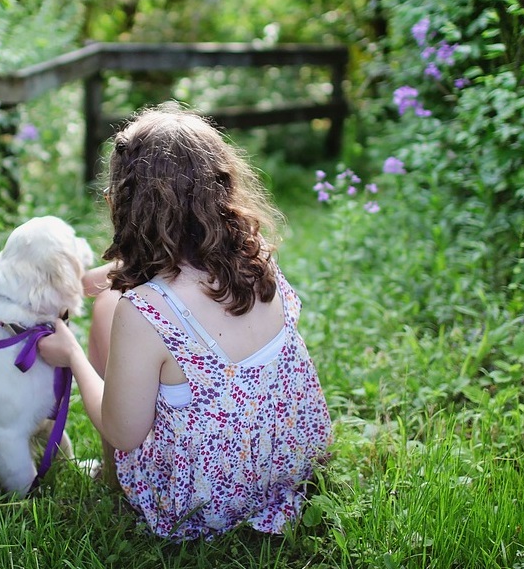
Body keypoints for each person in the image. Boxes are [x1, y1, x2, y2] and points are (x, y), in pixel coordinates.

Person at [36, 104, 333, 540]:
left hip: (201, 500)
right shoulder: (257, 259)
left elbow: (124, 432)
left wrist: (73, 357)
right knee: (109, 299)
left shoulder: (142, 311)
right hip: (287, 465)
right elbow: (177, 279)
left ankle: (113, 479)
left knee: (105, 308)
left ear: (122, 203)